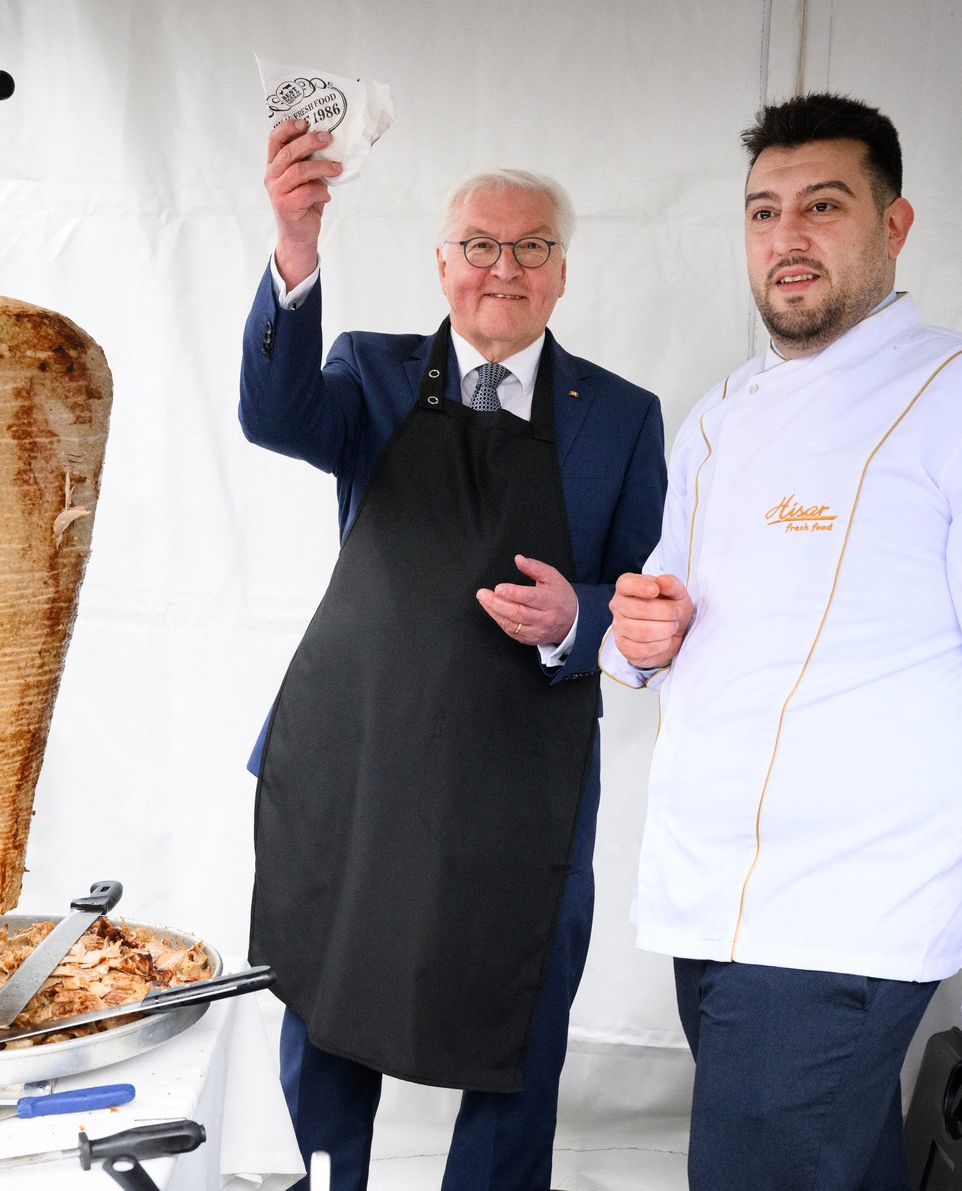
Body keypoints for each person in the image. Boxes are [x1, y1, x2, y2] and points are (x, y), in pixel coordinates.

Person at [601, 93, 962, 1188]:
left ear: (893, 225)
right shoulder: (716, 416)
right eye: (762, 212)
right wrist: (639, 637)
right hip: (710, 905)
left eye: (823, 205)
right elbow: (662, 626)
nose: (786, 238)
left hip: (838, 919)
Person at [241, 119, 668, 1191]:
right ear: (442, 263)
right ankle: (324, 1181)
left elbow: (648, 598)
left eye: (531, 248)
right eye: (479, 244)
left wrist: (576, 612)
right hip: (362, 758)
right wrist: (295, 246)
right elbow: (273, 413)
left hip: (525, 778)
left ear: (562, 273)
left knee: (514, 1017)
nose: (502, 268)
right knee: (335, 996)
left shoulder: (618, 416)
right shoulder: (377, 378)